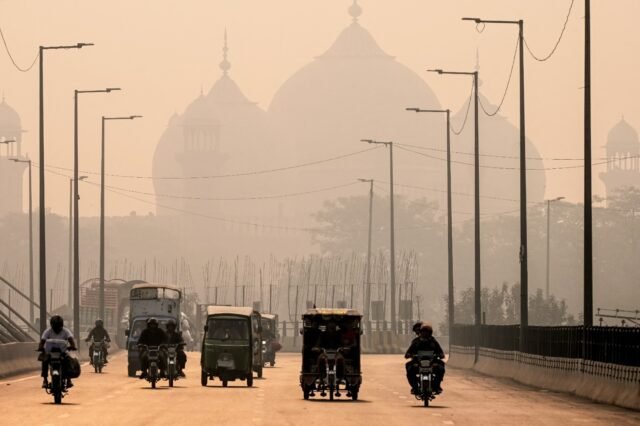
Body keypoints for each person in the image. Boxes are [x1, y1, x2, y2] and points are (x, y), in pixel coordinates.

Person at [404, 323, 445, 394]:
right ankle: (415, 387)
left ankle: (436, 386)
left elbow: (440, 352)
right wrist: (409, 355)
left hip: (432, 362)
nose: (425, 334)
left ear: (430, 333)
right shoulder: (416, 341)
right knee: (409, 367)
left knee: (441, 367)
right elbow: (408, 352)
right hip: (418, 362)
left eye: (427, 332)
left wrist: (440, 355)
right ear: (420, 332)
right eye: (423, 332)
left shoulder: (433, 342)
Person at [38, 315, 77, 389]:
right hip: (50, 352)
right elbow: (42, 341)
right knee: (45, 361)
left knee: (68, 361)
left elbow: (71, 339)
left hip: (63, 352)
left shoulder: (66, 331)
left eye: (58, 326)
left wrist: (73, 346)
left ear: (61, 325)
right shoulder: (48, 331)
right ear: (52, 325)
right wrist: (40, 347)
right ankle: (45, 380)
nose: (57, 328)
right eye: (55, 326)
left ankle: (69, 380)